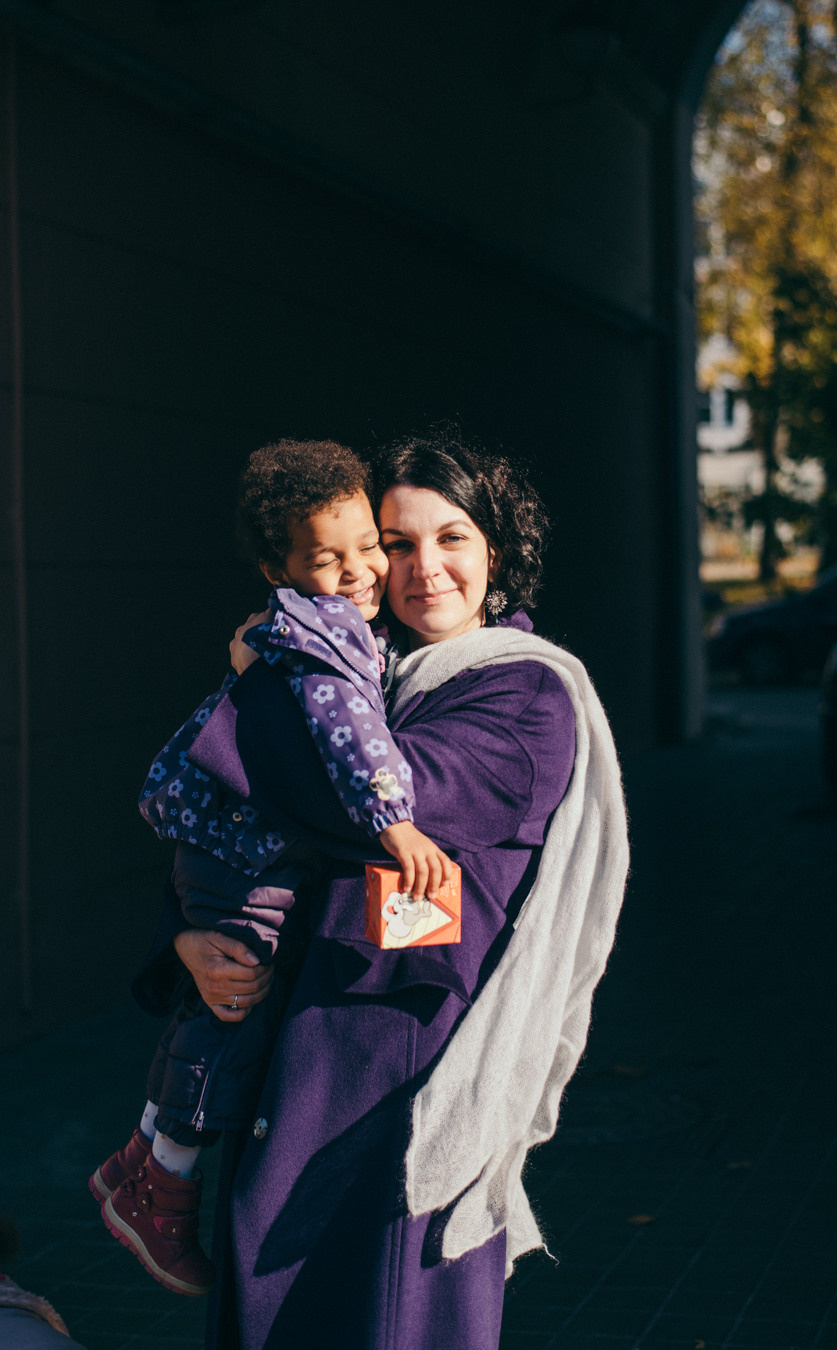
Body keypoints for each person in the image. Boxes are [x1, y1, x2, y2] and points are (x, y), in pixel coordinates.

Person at [134, 429, 629, 1350]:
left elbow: (356, 803)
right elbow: (240, 828)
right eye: (397, 543)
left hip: (394, 1100)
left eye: (453, 537)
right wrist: (187, 939)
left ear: (495, 551)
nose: (423, 567)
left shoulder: (523, 696)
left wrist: (257, 682)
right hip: (297, 1069)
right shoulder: (360, 672)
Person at [90, 439, 451, 1298]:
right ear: (279, 570)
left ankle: (142, 1158)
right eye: (329, 559)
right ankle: (164, 1175)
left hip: (237, 848)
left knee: (228, 992)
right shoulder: (324, 632)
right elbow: (348, 734)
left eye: (370, 545)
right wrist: (396, 824)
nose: (362, 570)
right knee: (236, 996)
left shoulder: (324, 633)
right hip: (245, 852)